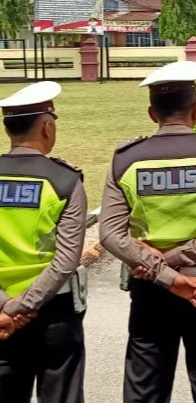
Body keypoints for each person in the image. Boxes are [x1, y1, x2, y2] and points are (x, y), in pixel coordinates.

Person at [99, 60, 196, 403]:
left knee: (144, 392)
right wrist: (175, 264)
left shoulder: (126, 159)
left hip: (150, 289)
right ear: (195, 110)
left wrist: (160, 268)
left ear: (152, 113)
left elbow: (110, 233)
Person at [0, 81, 87, 403]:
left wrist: (6, 307)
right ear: (48, 128)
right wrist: (24, 305)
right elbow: (66, 260)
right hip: (53, 313)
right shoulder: (64, 179)